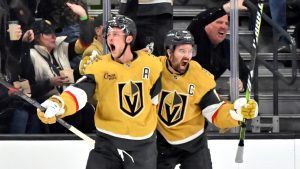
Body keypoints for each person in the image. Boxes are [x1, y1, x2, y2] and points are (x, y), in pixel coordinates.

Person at [37, 15, 162, 169]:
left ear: (129, 38)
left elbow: (155, 99)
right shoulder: (100, 66)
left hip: (143, 146)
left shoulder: (151, 65)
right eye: (108, 34)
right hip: (108, 144)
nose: (110, 38)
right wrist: (59, 104)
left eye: (115, 34)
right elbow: (81, 90)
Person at [156, 29, 258, 169]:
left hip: (194, 144)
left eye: (190, 51)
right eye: (182, 51)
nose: (187, 56)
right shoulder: (154, 68)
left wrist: (236, 112)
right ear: (169, 52)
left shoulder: (199, 76)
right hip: (160, 143)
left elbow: (216, 110)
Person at [21, 2, 95, 133]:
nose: (54, 36)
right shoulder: (29, 55)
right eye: (48, 33)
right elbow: (25, 91)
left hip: (65, 102)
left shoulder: (62, 49)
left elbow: (86, 41)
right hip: (47, 107)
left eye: (54, 32)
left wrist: (83, 16)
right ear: (37, 37)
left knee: (88, 109)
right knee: (75, 116)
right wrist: (50, 83)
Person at [187, 0, 250, 92]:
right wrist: (224, 9)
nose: (224, 27)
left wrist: (242, 84)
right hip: (185, 90)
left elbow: (246, 74)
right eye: (219, 22)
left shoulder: (227, 46)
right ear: (206, 25)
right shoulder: (195, 35)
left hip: (206, 93)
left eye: (226, 24)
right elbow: (197, 21)